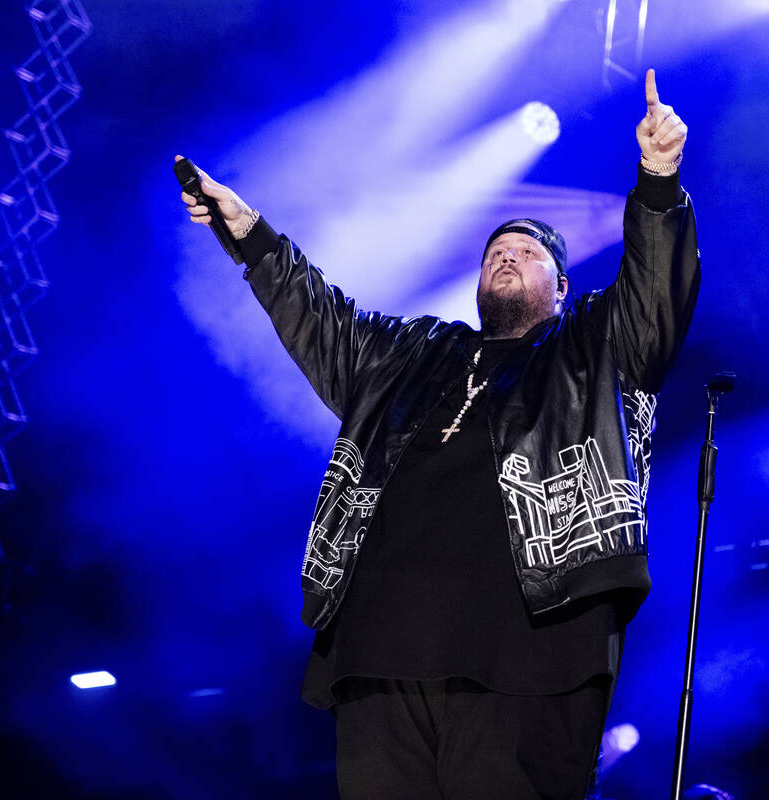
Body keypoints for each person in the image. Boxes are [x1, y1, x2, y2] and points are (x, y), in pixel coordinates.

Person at [179, 68, 699, 800]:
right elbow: (321, 317)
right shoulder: (413, 353)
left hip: (532, 648)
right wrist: (253, 239)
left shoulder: (594, 350)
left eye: (530, 251)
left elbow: (653, 293)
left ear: (563, 289)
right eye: (496, 251)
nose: (507, 255)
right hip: (379, 653)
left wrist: (657, 179)